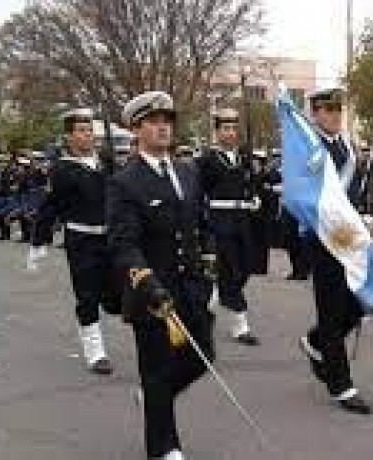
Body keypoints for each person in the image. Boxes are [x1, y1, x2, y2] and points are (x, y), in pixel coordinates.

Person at [108, 91, 216, 460]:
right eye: (154, 121)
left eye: (168, 120)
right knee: (156, 370)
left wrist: (209, 272)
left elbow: (199, 227)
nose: (163, 127)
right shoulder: (125, 182)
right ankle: (164, 447)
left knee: (204, 355)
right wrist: (147, 283)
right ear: (137, 129)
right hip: (152, 293)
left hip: (191, 287)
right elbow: (124, 244)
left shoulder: (187, 172)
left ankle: (155, 398)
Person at [298, 87, 373, 414]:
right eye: (327, 110)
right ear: (315, 114)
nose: (334, 115)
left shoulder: (345, 145)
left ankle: (315, 342)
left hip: (350, 237)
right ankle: (341, 385)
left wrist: (364, 217)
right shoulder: (308, 147)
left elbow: (354, 190)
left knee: (358, 305)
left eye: (337, 110)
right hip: (325, 238)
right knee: (332, 309)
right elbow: (309, 195)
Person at [33, 108, 122, 374]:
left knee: (116, 296)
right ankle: (96, 352)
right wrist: (39, 242)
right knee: (87, 296)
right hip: (81, 240)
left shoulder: (106, 163)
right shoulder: (62, 170)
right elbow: (49, 207)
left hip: (110, 239)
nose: (88, 136)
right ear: (69, 137)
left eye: (90, 131)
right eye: (81, 131)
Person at [195, 108, 261, 346]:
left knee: (243, 269)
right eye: (226, 128)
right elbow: (198, 192)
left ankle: (213, 300)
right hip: (219, 221)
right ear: (217, 131)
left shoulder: (243, 159)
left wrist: (254, 197)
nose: (231, 133)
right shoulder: (206, 160)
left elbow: (251, 185)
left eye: (234, 128)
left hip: (241, 221)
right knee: (231, 272)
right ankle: (240, 326)